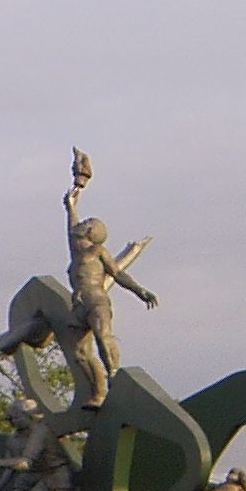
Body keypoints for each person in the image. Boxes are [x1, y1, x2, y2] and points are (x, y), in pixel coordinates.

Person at [63, 153, 158, 406]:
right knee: (79, 354)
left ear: (92, 232)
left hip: (96, 300)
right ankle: (99, 393)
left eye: (86, 223)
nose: (80, 224)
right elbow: (71, 227)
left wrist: (139, 291)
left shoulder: (97, 252)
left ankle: (115, 376)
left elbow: (117, 273)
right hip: (79, 305)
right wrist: (72, 204)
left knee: (103, 337)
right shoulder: (77, 252)